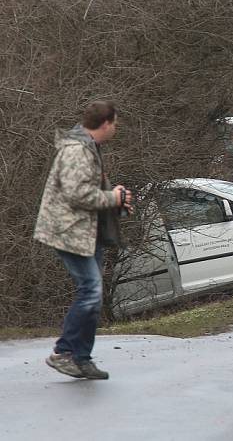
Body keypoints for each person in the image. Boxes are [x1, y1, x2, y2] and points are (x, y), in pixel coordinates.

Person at [34, 100, 132, 380]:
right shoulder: (77, 149)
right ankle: (64, 353)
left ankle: (81, 358)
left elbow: (89, 190)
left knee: (93, 292)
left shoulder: (89, 147)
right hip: (68, 231)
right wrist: (112, 197)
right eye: (115, 124)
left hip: (86, 231)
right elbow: (76, 194)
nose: (116, 129)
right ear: (106, 124)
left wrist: (117, 200)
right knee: (90, 291)